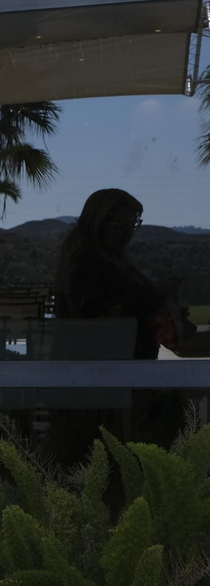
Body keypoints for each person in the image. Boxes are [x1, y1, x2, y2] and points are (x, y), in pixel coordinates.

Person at [50, 188, 198, 463]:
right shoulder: (83, 262)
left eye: (133, 226)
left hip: (122, 372)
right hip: (106, 377)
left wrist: (164, 313)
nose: (128, 233)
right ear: (99, 223)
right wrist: (154, 298)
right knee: (187, 398)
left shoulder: (112, 260)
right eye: (121, 226)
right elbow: (99, 320)